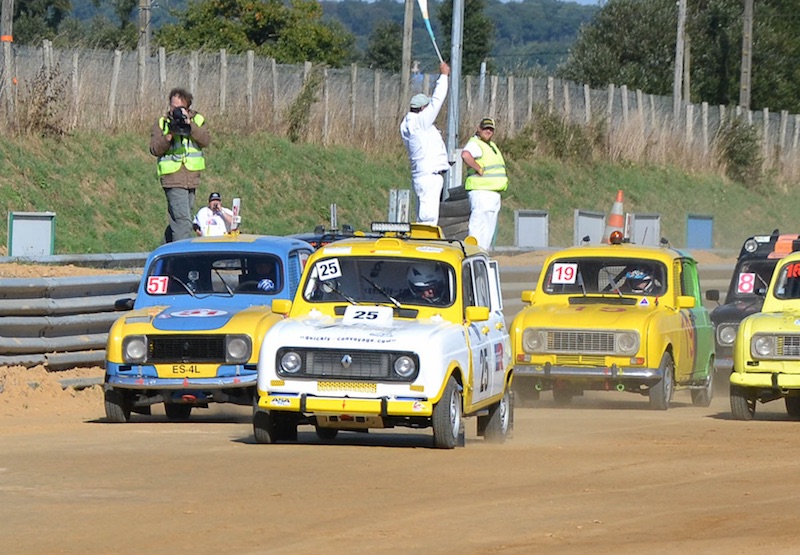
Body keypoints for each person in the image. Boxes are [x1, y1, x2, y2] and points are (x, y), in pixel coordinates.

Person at [150, 87, 211, 243]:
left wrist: (190, 127)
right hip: (172, 178)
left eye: (179, 108)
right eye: (173, 106)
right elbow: (154, 149)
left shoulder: (197, 120)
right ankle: (181, 261)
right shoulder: (162, 123)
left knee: (177, 222)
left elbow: (206, 140)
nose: (175, 110)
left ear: (187, 107)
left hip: (191, 178)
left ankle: (162, 258)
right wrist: (169, 135)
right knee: (184, 223)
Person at [400, 62, 451, 226]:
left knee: (424, 217)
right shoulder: (420, 122)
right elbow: (437, 101)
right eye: (427, 107)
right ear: (422, 108)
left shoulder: (408, 124)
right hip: (429, 176)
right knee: (428, 220)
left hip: (423, 176)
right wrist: (443, 76)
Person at [461, 117, 508, 250]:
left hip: (492, 193)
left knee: (487, 230)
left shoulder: (491, 145)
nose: (488, 131)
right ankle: (474, 253)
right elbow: (465, 155)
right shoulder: (475, 143)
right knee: (478, 228)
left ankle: (482, 255)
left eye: (491, 129)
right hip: (481, 192)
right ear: (479, 129)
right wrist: (478, 168)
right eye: (485, 128)